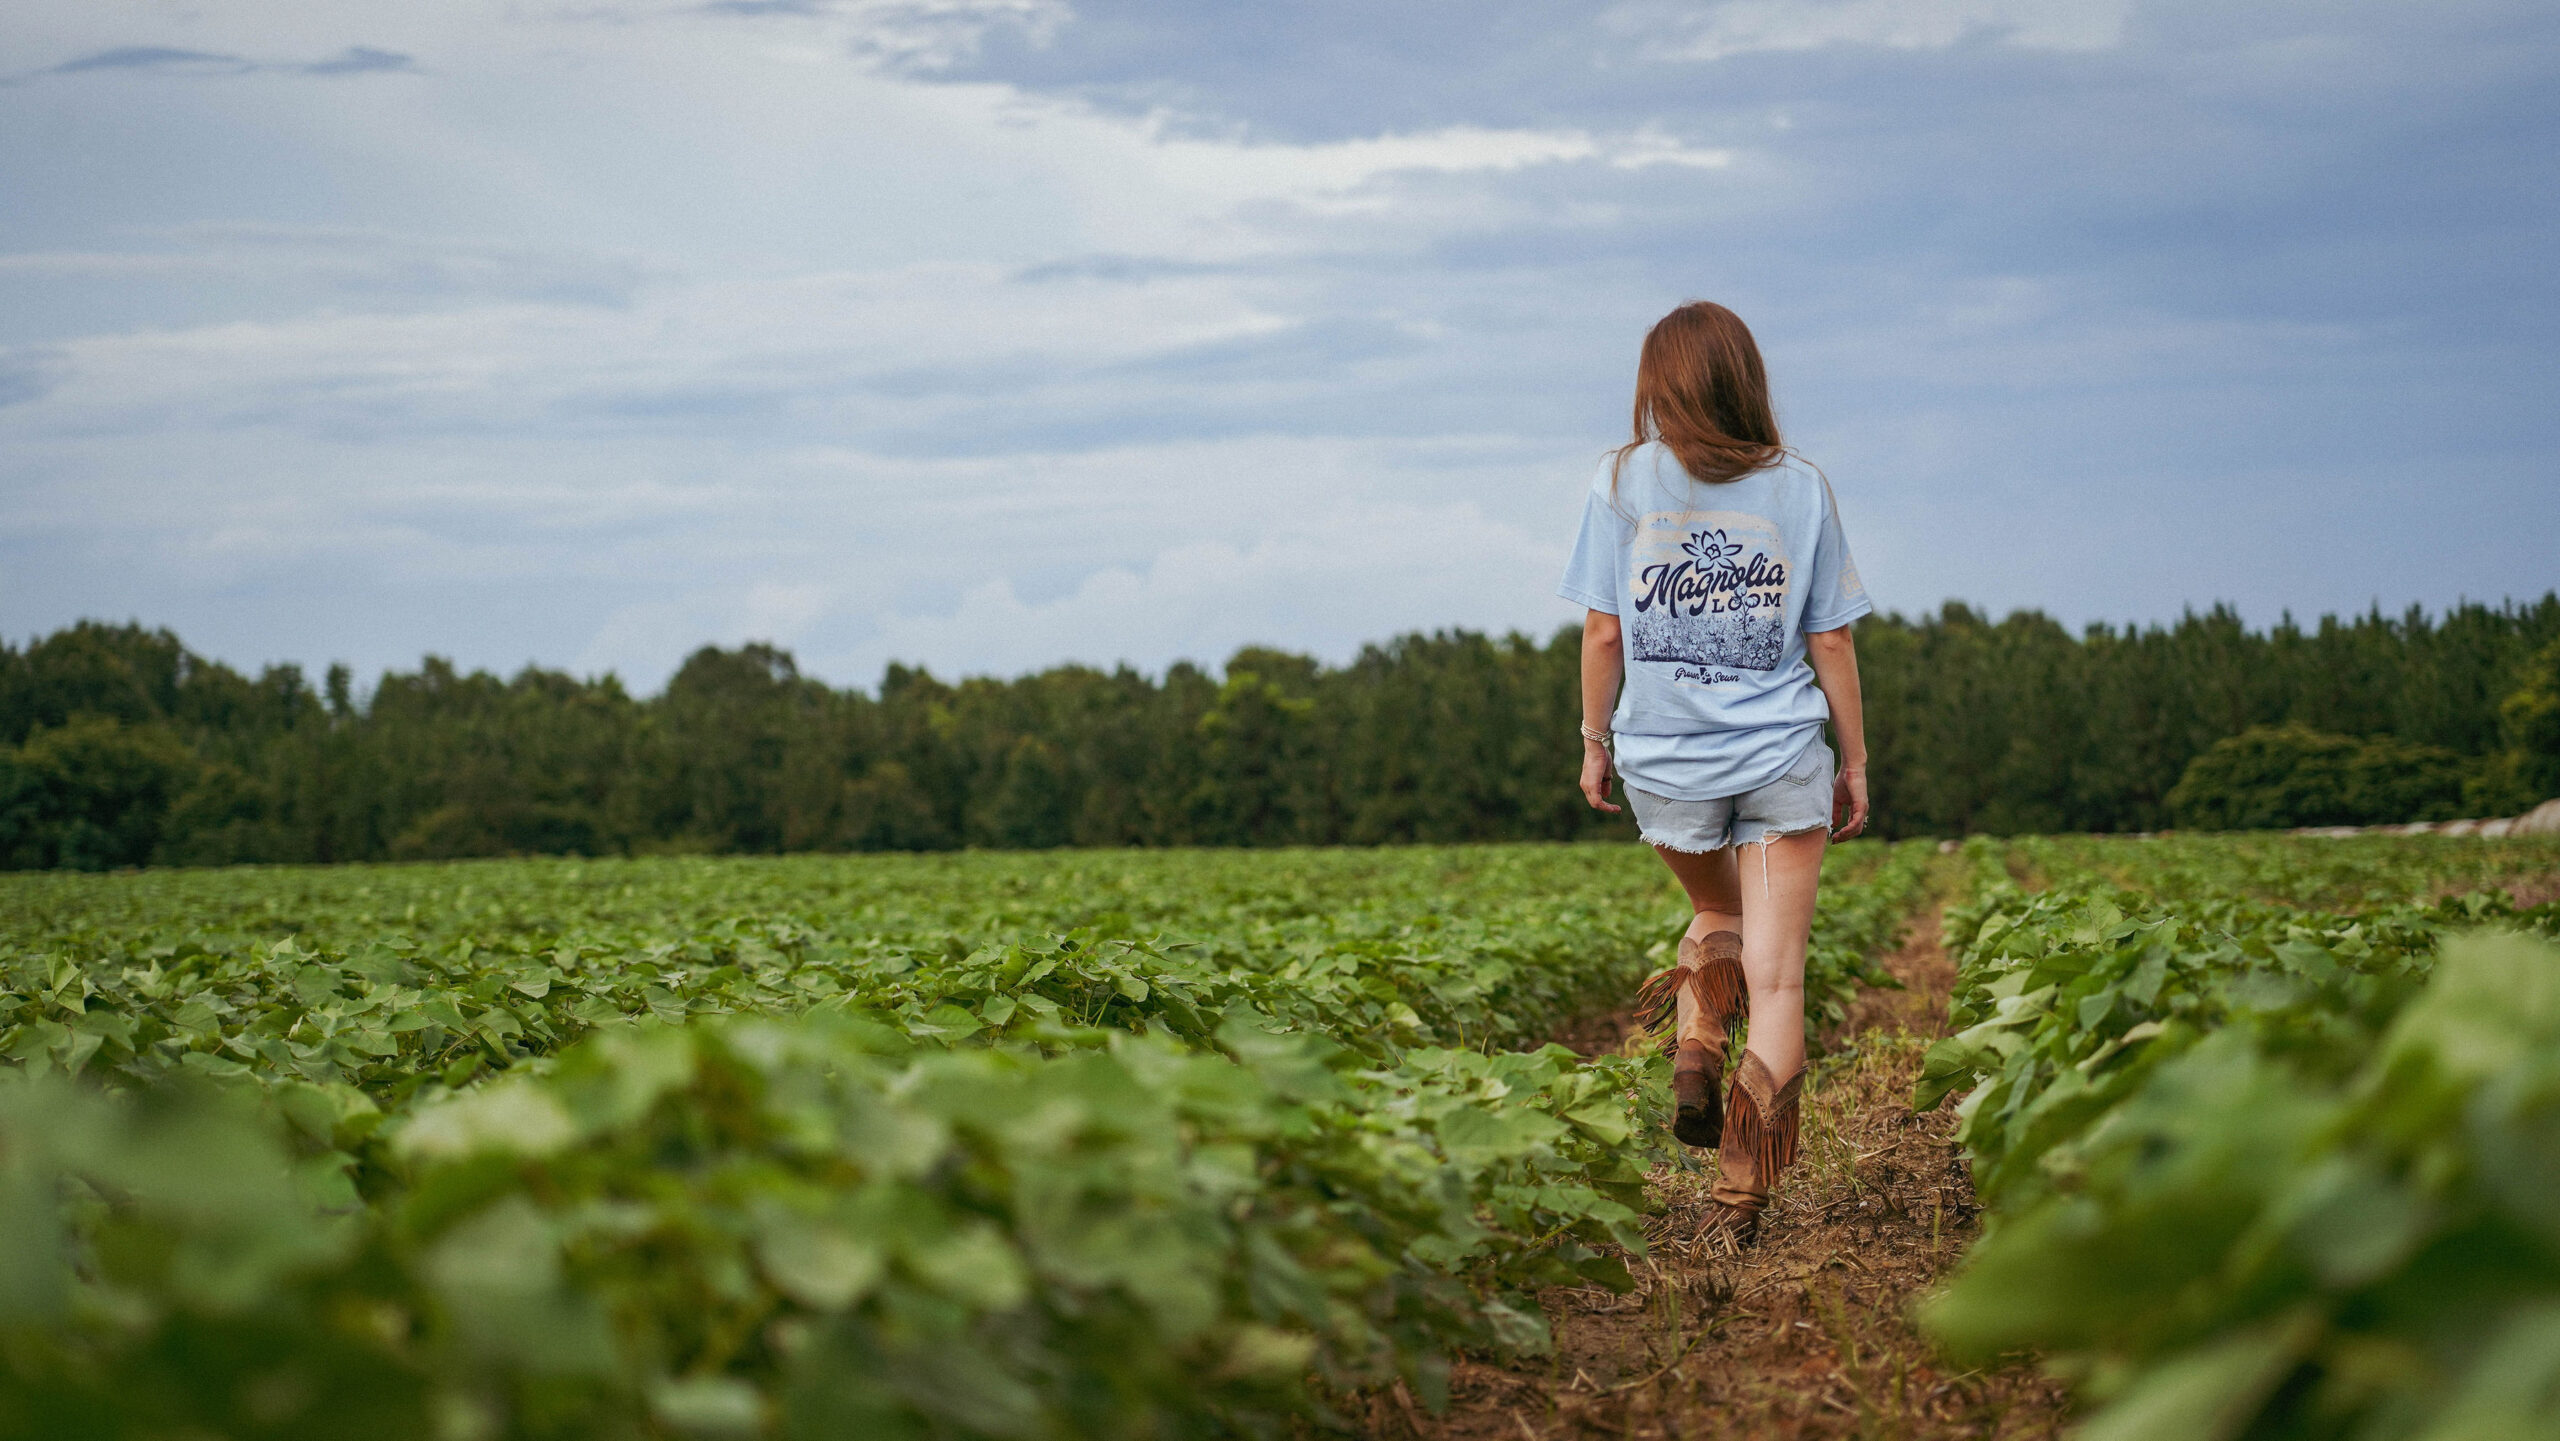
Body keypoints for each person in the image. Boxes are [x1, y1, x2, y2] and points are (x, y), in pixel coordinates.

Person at [1556, 300, 1873, 1251]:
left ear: (1660, 384)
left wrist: (1593, 739)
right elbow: (1831, 637)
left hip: (1668, 768)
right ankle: (1740, 1193)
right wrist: (1854, 761)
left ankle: (1697, 1040)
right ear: (1746, 379)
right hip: (1779, 758)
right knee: (1777, 982)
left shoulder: (1620, 481)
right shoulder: (1802, 486)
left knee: (1713, 913)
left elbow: (1605, 629)